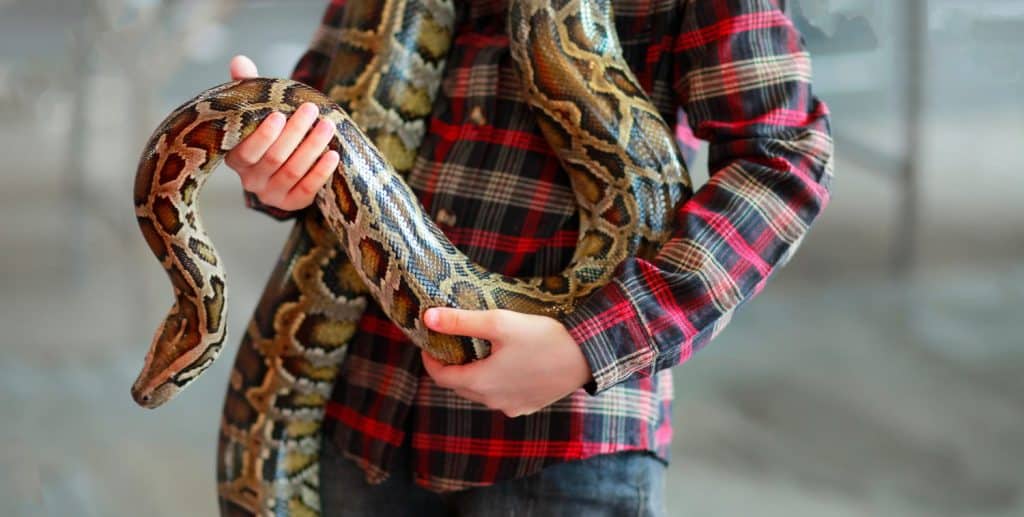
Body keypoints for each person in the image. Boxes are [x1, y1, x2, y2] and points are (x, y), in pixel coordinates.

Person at [224, 0, 833, 515]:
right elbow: (333, 112)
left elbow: (780, 159)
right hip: (360, 404)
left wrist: (592, 344)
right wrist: (279, 169)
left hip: (561, 441)